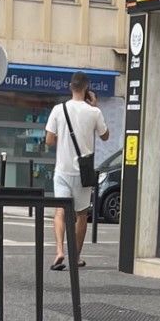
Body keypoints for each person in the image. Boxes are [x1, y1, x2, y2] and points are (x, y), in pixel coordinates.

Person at [45, 74, 107, 271]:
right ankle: (76, 256)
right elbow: (105, 136)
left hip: (62, 170)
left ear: (70, 86)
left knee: (60, 212)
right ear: (87, 88)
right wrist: (95, 106)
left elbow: (49, 140)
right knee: (81, 215)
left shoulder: (58, 109)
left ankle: (59, 251)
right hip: (83, 173)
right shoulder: (94, 112)